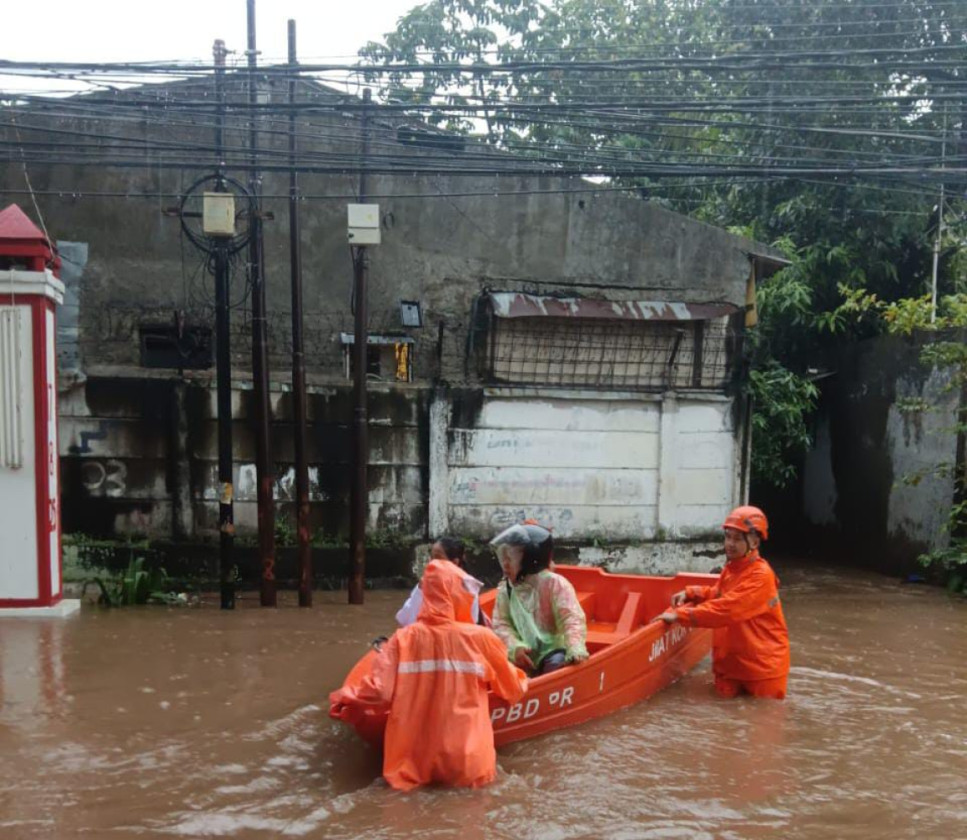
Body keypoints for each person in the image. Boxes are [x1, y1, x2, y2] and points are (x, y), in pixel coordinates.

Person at [329, 559, 527, 791]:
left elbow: (379, 693)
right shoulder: (481, 638)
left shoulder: (402, 640)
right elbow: (513, 689)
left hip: (410, 760)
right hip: (467, 761)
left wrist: (344, 698)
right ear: (457, 594)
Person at [658, 505, 790, 700]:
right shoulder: (732, 568)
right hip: (729, 666)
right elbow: (721, 595)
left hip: (763, 670)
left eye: (737, 538)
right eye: (728, 536)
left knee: (765, 720)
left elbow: (728, 609)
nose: (729, 543)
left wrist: (680, 615)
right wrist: (694, 593)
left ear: (754, 540)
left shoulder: (761, 576)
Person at [490, 521, 589, 675]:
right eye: (503, 559)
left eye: (510, 559)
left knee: (556, 665)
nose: (505, 565)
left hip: (553, 652)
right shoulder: (506, 589)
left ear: (530, 559)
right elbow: (501, 624)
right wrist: (514, 648)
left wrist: (574, 648)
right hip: (523, 654)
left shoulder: (554, 584)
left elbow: (571, 618)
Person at [395, 536, 486, 627]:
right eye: (431, 557)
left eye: (437, 558)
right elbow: (404, 620)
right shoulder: (426, 583)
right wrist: (420, 590)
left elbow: (470, 622)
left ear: (454, 562)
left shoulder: (468, 587)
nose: (432, 563)